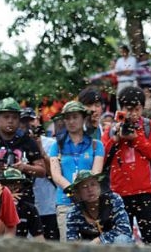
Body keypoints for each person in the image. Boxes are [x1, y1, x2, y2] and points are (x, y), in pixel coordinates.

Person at [102, 86, 151, 244]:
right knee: (121, 242)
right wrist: (114, 140)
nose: (134, 114)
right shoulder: (110, 130)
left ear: (143, 107)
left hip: (147, 193)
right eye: (129, 110)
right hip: (119, 195)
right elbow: (100, 161)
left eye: (137, 109)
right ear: (120, 109)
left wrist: (136, 138)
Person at [49, 101, 105, 241]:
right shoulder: (56, 146)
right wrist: (72, 191)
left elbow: (96, 173)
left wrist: (83, 192)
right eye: (67, 118)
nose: (71, 121)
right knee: (69, 246)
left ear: (83, 118)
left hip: (91, 203)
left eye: (75, 117)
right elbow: (56, 175)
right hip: (65, 202)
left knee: (95, 245)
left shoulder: (96, 145)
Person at [0, 97, 46, 205]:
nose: (10, 121)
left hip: (24, 200)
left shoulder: (28, 142)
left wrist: (24, 167)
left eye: (14, 117)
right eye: (6, 117)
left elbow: (42, 172)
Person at [65, 170, 133, 244]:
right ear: (78, 193)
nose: (90, 190)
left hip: (114, 246)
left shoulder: (113, 199)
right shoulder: (73, 212)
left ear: (99, 187)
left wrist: (98, 241)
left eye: (93, 184)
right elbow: (71, 241)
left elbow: (125, 229)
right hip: (89, 249)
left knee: (122, 239)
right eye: (84, 187)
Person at [0, 168, 44, 239]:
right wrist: (7, 202)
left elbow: (39, 237)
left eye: (18, 184)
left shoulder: (29, 208)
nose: (14, 188)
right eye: (10, 184)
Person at [33, 133, 60, 241]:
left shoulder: (51, 144)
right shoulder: (18, 143)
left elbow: (55, 175)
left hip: (50, 207)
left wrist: (41, 151)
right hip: (26, 206)